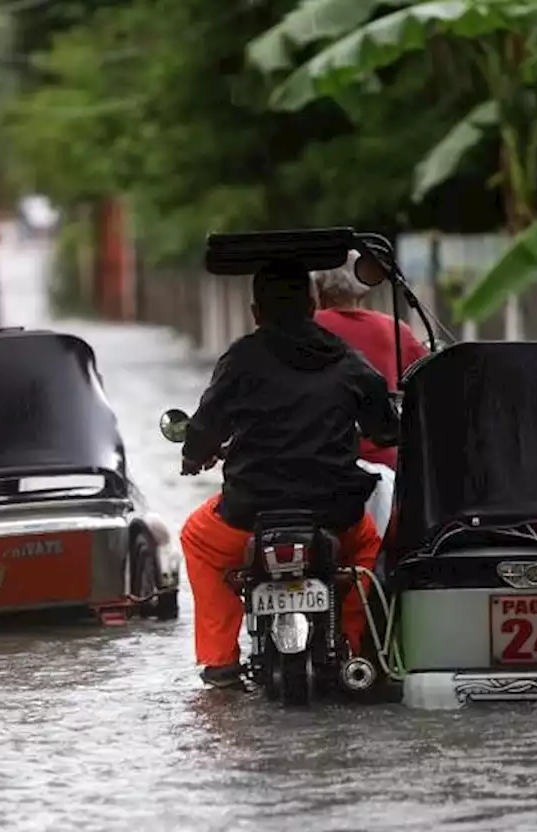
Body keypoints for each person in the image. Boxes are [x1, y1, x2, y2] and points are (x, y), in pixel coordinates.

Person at [179, 259, 400, 688]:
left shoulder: (240, 359)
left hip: (249, 514)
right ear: (313, 304)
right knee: (367, 548)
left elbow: (205, 425)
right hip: (335, 512)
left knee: (197, 539)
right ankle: (352, 644)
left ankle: (221, 661)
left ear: (256, 311)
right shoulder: (346, 359)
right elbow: (385, 427)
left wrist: (194, 457)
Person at [312, 250, 429, 471]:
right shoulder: (394, 329)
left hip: (323, 463)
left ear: (318, 288)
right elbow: (427, 377)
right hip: (387, 464)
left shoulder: (308, 328)